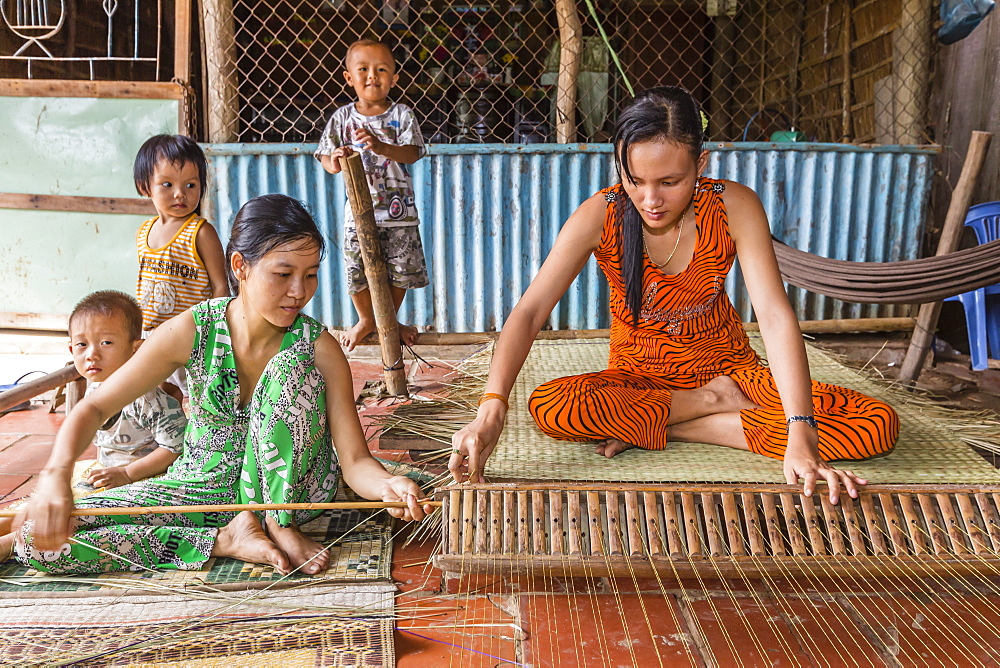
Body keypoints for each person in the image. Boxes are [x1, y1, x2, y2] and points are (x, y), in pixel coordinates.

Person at [450, 87, 899, 504]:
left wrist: (801, 430)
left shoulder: (733, 206)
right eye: (635, 179)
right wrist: (491, 409)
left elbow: (775, 316)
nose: (650, 199)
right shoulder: (599, 214)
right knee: (552, 408)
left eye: (670, 181)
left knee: (876, 425)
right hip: (640, 382)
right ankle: (705, 408)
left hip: (733, 373)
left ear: (700, 166)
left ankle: (659, 426)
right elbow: (530, 312)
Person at [6, 194, 431, 574]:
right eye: (283, 274)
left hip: (294, 494)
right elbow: (93, 408)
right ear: (240, 266)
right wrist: (57, 477)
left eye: (311, 275)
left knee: (290, 366)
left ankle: (275, 522)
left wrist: (386, 487)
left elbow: (355, 461)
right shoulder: (196, 329)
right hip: (200, 489)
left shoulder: (318, 347)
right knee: (40, 542)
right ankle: (224, 539)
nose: (299, 291)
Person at [0, 291, 186, 541]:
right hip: (107, 477)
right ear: (70, 348)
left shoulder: (149, 400)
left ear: (136, 349)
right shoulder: (96, 386)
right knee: (30, 512)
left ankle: (13, 544)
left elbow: (175, 449)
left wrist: (128, 473)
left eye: (106, 343)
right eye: (82, 344)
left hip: (146, 482)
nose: (92, 355)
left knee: (70, 524)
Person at [315, 38, 428, 352]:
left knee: (400, 271)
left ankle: (388, 320)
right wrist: (335, 158)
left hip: (399, 213)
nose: (372, 76)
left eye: (381, 69)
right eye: (363, 69)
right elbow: (326, 160)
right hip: (359, 215)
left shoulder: (403, 115)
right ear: (349, 77)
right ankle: (367, 319)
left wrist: (380, 147)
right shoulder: (342, 119)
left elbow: (412, 153)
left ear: (394, 78)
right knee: (357, 271)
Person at [134, 134, 229, 398]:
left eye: (190, 185)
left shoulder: (200, 232)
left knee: (199, 395)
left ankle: (205, 436)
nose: (180, 194)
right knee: (162, 391)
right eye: (167, 184)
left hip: (191, 335)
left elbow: (220, 284)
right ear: (145, 187)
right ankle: (175, 437)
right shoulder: (143, 233)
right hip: (153, 332)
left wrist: (213, 332)